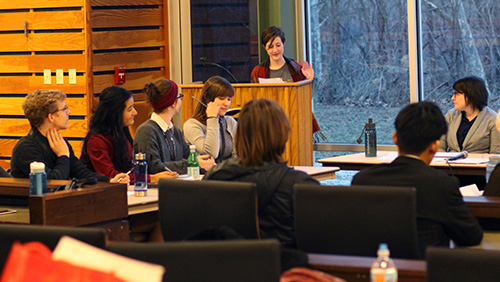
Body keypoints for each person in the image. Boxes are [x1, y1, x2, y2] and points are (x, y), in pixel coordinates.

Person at [352, 101, 483, 258]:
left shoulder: (362, 180)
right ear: (435, 146)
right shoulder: (442, 185)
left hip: (375, 271)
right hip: (425, 273)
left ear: (395, 138)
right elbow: (471, 237)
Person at [204, 98, 320, 248]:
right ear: (283, 135)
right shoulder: (301, 186)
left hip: (229, 267)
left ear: (240, 135)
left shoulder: (214, 178)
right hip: (285, 267)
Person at [10, 89, 128, 183]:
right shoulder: (26, 148)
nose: (69, 112)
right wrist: (63, 156)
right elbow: (52, 182)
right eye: (64, 109)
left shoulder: (60, 142)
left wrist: (110, 180)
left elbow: (80, 172)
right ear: (51, 117)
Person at [81, 86, 178, 183]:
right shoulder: (96, 141)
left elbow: (131, 169)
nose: (135, 112)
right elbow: (111, 176)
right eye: (130, 109)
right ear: (115, 112)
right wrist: (152, 178)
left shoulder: (121, 133)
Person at [251, 26, 323, 141]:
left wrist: (309, 80)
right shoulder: (258, 71)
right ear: (264, 47)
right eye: (270, 47)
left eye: (278, 45)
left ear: (283, 44)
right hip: (268, 125)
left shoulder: (296, 67)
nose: (275, 50)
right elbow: (253, 100)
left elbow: (307, 98)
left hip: (294, 122)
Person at [133, 79, 215, 174]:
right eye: (180, 97)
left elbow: (187, 158)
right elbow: (153, 167)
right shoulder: (146, 131)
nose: (181, 100)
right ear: (173, 103)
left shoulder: (175, 130)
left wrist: (203, 164)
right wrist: (194, 163)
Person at [439, 76, 500, 189]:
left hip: (477, 176)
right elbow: (440, 148)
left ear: (471, 95)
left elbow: (494, 157)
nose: (453, 98)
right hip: (449, 174)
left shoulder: (492, 119)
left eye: (457, 94)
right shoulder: (451, 115)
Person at [183, 76, 237, 163]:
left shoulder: (230, 122)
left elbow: (238, 155)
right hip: (203, 175)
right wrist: (212, 118)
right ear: (207, 98)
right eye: (221, 98)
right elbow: (211, 153)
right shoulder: (192, 125)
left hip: (228, 172)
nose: (227, 104)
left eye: (229, 99)